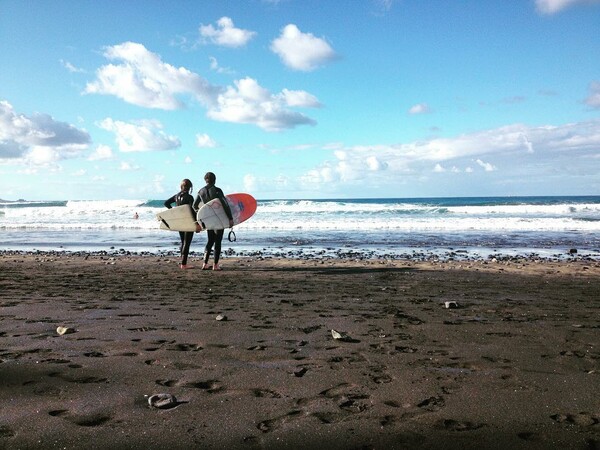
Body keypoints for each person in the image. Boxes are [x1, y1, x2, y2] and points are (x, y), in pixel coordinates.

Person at [193, 172, 233, 271]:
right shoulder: (217, 190)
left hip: (208, 219)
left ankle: (205, 264)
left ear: (205, 180)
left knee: (210, 241)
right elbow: (225, 204)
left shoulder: (200, 191)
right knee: (218, 241)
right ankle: (215, 265)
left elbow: (194, 206)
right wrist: (230, 218)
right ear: (215, 180)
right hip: (219, 219)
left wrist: (201, 215)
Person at [164, 179, 196, 269]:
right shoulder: (190, 197)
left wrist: (173, 212)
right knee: (187, 243)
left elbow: (166, 203)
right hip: (188, 222)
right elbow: (192, 211)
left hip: (179, 221)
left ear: (181, 186)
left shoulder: (176, 196)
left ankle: (183, 261)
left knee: (183, 241)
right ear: (190, 187)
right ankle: (184, 264)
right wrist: (197, 222)